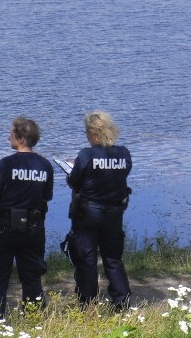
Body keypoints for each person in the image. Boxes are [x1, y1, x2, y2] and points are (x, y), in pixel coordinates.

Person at [0, 116, 54, 316]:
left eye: (11, 134)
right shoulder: (45, 165)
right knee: (32, 276)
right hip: (34, 227)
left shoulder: (5, 164)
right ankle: (34, 318)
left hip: (5, 226)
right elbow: (46, 197)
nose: (8, 137)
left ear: (21, 138)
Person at [62, 111, 132, 310]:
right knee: (113, 258)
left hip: (87, 214)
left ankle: (88, 302)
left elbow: (74, 181)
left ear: (93, 133)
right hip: (113, 213)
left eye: (86, 132)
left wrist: (72, 170)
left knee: (87, 258)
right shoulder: (123, 153)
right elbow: (120, 175)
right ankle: (121, 300)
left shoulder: (86, 154)